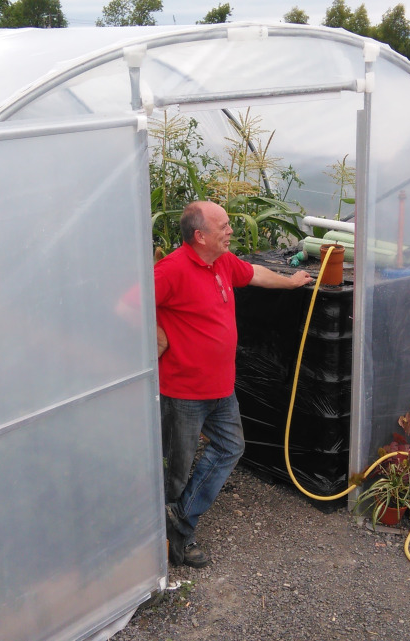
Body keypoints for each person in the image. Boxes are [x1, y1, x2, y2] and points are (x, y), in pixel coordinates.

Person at [154, 201, 312, 567]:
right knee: (175, 470)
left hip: (221, 387)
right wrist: (158, 333)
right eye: (223, 226)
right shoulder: (171, 270)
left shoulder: (222, 262)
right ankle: (171, 541)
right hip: (182, 391)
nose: (230, 231)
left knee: (230, 447)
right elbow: (129, 307)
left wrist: (289, 282)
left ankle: (181, 519)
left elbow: (254, 272)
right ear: (200, 235)